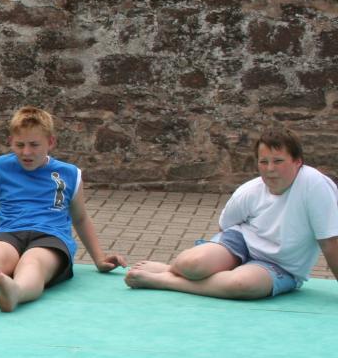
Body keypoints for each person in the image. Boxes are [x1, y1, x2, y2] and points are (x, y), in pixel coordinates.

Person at [0, 105, 125, 312]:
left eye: (34, 145)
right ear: (10, 141)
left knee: (33, 263)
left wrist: (99, 260)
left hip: (51, 237)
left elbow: (80, 219)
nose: (26, 152)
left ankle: (15, 291)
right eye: (19, 145)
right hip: (9, 233)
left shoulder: (70, 174)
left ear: (51, 142)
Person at [125, 127, 338, 299]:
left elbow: (330, 243)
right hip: (242, 242)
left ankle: (165, 279)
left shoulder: (315, 186)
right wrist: (227, 260)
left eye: (278, 161)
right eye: (263, 162)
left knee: (241, 285)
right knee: (192, 265)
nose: (270, 169)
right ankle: (173, 268)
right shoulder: (248, 191)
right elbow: (225, 229)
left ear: (298, 162)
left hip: (281, 265)